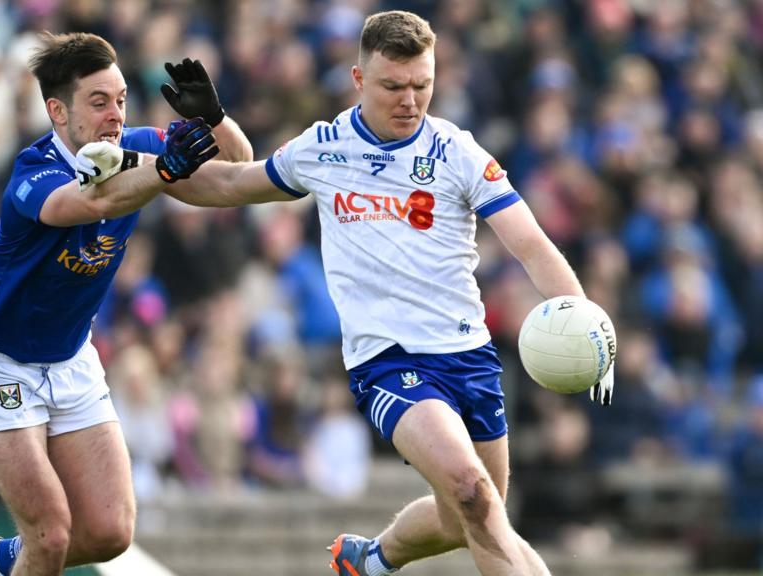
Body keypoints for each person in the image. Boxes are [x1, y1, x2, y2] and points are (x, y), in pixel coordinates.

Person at [161, 10, 615, 576]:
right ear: (358, 79)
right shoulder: (322, 149)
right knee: (473, 494)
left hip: (469, 357)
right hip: (388, 361)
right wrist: (164, 162)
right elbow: (231, 181)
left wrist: (587, 326)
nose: (409, 100)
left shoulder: (458, 153)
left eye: (422, 85)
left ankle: (370, 561)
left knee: (467, 516)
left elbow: (532, 247)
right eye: (393, 86)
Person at [0, 31, 251, 576]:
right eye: (99, 101)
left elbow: (237, 172)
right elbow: (89, 201)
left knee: (110, 532)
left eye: (122, 99)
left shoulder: (138, 145)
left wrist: (216, 118)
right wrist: (163, 171)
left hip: (68, 355)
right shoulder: (32, 173)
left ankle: (6, 559)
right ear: (57, 111)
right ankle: (29, 550)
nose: (115, 115)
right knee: (52, 533)